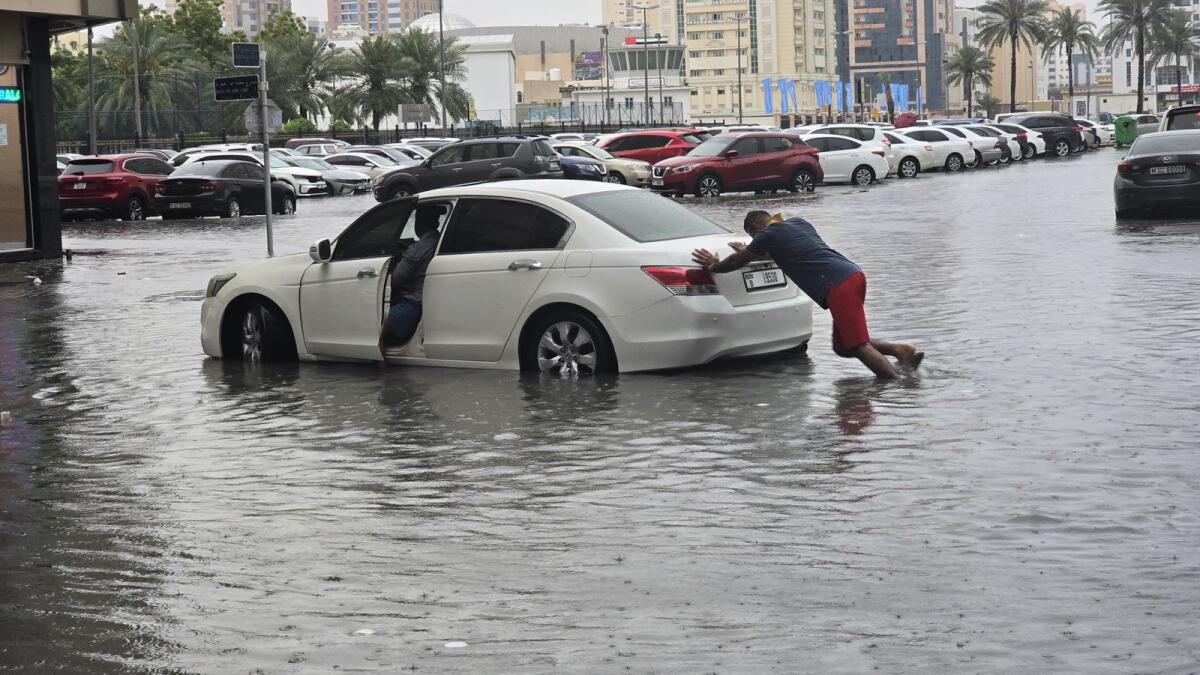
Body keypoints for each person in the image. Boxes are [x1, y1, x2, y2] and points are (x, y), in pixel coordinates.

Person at [692, 210, 923, 379]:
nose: (755, 242)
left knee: (858, 345)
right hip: (853, 275)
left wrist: (714, 265)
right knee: (843, 346)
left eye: (753, 237)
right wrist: (753, 252)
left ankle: (896, 384)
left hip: (837, 284)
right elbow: (787, 252)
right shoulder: (798, 223)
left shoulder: (767, 235)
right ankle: (900, 351)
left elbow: (735, 261)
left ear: (755, 230)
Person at [381, 205, 443, 347]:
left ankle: (380, 364)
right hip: (428, 302)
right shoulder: (438, 241)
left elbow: (395, 281)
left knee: (373, 325)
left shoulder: (418, 249)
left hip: (414, 305)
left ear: (420, 223)